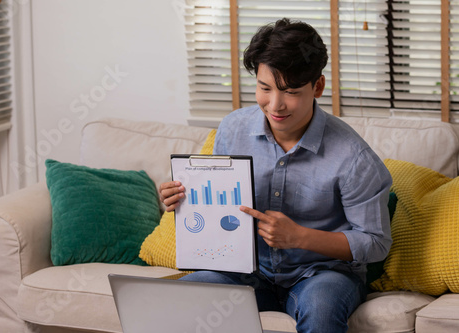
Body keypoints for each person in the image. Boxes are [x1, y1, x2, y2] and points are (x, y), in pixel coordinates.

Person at [159, 18, 392, 333]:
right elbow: (218, 210)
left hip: (323, 274)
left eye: (291, 92)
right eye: (264, 88)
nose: (275, 105)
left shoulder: (353, 157)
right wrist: (184, 201)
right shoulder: (232, 128)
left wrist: (299, 237)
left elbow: (376, 243)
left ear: (318, 87)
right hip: (246, 272)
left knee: (321, 309)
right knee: (181, 294)